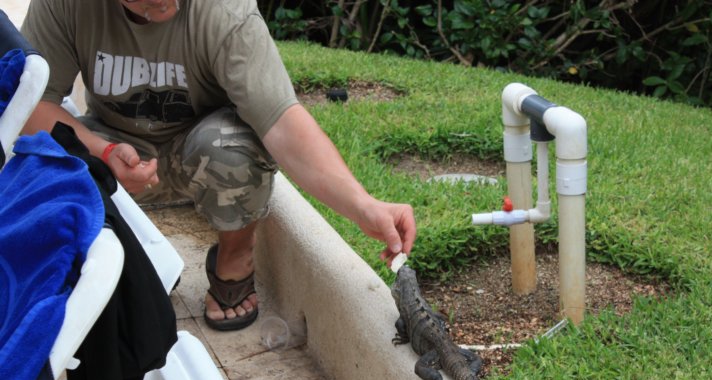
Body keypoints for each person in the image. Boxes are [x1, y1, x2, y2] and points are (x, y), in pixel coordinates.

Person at [20, 0, 416, 331]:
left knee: (234, 147)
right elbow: (30, 103)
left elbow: (283, 124)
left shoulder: (227, 11)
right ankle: (132, 265)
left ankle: (235, 257)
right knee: (43, 164)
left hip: (203, 146)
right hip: (113, 141)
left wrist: (363, 205)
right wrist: (103, 152)